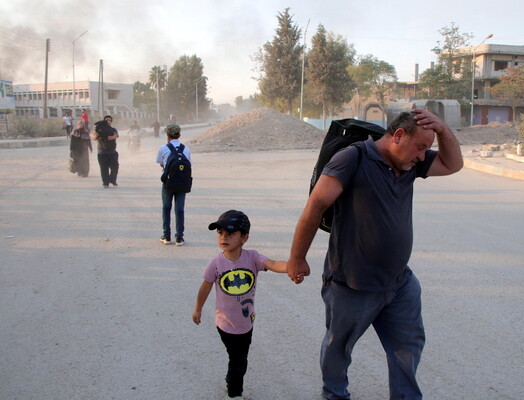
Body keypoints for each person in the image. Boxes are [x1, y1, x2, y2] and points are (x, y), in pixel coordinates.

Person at [287, 109, 464, 400]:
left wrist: (443, 130)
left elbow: (453, 164)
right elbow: (315, 206)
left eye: (427, 149)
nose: (423, 156)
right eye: (421, 147)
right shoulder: (352, 159)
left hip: (399, 284)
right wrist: (297, 257)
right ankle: (334, 394)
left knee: (408, 346)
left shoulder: (411, 164)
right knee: (338, 348)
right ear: (398, 136)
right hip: (351, 284)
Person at [193, 210, 288, 400]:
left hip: (247, 322)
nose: (223, 237)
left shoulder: (252, 257)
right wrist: (198, 308)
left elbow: (273, 264)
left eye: (230, 233)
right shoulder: (216, 263)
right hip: (225, 323)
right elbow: (205, 286)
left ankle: (233, 381)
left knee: (240, 357)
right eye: (220, 233)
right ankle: (234, 392)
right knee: (238, 360)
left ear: (244, 237)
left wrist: (293, 266)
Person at [156, 124, 190, 245]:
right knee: (179, 209)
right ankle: (179, 237)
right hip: (182, 183)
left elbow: (161, 163)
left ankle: (166, 236)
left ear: (167, 135)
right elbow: (188, 165)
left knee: (166, 208)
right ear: (179, 135)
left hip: (168, 183)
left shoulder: (163, 148)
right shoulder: (186, 149)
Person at [92, 115, 119, 188]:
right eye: (107, 120)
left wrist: (111, 137)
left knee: (115, 167)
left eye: (110, 120)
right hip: (102, 152)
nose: (108, 121)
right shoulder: (99, 129)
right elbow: (94, 137)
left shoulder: (113, 129)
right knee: (104, 168)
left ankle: (112, 180)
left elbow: (116, 135)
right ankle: (105, 183)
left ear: (111, 121)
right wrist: (96, 132)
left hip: (112, 152)